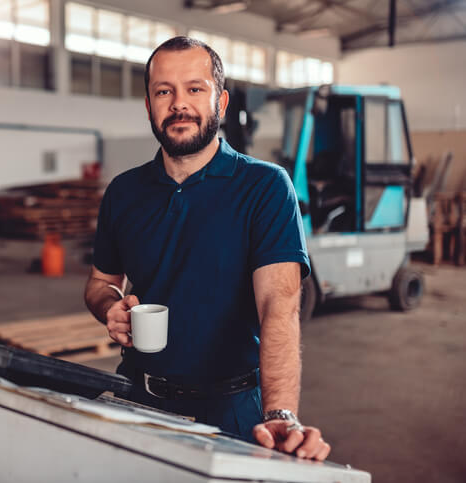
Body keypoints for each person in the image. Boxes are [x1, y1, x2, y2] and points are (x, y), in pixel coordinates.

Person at [84, 36, 331, 461]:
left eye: (195, 89)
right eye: (164, 91)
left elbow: (279, 305)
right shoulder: (124, 193)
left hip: (233, 411)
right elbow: (101, 282)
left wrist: (281, 413)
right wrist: (111, 305)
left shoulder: (265, 188)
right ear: (149, 105)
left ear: (221, 102)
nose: (179, 104)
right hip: (138, 399)